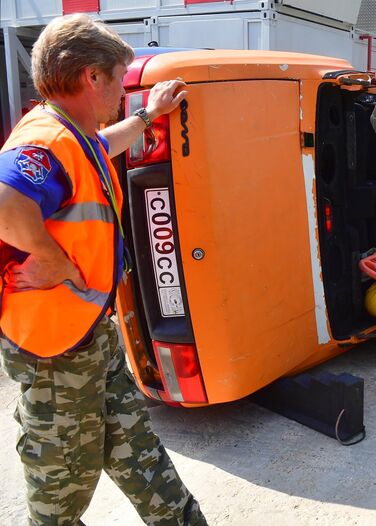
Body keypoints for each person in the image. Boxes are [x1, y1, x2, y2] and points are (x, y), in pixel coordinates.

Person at [0, 14, 207, 525]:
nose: (122, 90)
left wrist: (148, 116)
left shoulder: (72, 135)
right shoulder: (47, 138)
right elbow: (5, 201)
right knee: (61, 493)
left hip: (90, 337)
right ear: (92, 77)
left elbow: (99, 147)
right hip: (56, 354)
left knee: (140, 456)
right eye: (118, 77)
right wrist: (50, 260)